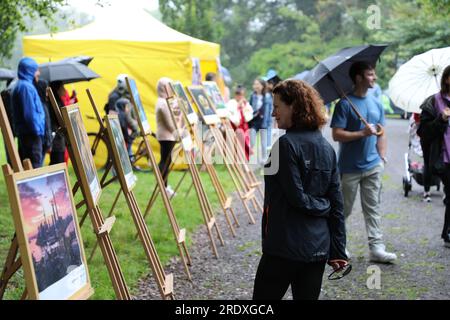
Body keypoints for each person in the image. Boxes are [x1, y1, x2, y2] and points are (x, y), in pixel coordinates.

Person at [253, 79, 348, 300]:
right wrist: (338, 250)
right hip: (316, 249)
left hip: (284, 246)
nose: (274, 113)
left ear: (294, 106)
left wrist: (322, 205)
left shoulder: (285, 146)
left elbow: (298, 199)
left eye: (277, 107)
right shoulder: (327, 148)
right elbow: (337, 204)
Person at [330, 61, 397, 263]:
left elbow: (381, 132)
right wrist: (361, 132)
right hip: (349, 168)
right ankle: (338, 246)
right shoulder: (344, 104)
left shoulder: (376, 102)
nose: (374, 78)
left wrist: (382, 156)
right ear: (358, 78)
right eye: (370, 74)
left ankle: (376, 248)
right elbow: (336, 135)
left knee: (373, 208)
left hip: (373, 165)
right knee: (344, 210)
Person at [417, 65, 450, 248]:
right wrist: (441, 120)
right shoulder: (433, 103)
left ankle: (447, 232)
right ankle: (448, 234)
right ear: (446, 79)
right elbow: (424, 132)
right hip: (444, 158)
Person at [11, 57, 46, 168]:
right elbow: (30, 115)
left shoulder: (23, 85)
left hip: (27, 135)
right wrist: (38, 132)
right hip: (31, 136)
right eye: (36, 70)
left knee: (29, 168)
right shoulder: (25, 87)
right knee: (35, 170)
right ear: (29, 70)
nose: (38, 73)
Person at [155, 77, 178, 197]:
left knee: (167, 161)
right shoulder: (162, 102)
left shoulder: (164, 101)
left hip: (168, 136)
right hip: (166, 136)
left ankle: (164, 186)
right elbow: (169, 122)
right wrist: (177, 132)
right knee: (165, 161)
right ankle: (163, 186)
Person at [226, 85, 253, 160]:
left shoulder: (245, 103)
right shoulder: (231, 103)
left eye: (241, 95)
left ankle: (246, 157)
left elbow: (249, 113)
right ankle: (239, 158)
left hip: (244, 126)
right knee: (239, 142)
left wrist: (244, 106)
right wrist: (238, 106)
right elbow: (231, 114)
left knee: (246, 141)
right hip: (236, 126)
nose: (239, 96)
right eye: (238, 94)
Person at [249, 78, 272, 164]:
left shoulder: (268, 96)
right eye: (254, 84)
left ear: (262, 86)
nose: (255, 86)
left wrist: (268, 122)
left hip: (264, 121)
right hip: (254, 121)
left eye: (257, 84)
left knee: (263, 143)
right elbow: (249, 107)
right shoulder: (252, 95)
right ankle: (248, 157)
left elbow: (269, 110)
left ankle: (264, 159)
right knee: (252, 140)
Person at [115, 97, 139, 162]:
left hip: (124, 138)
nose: (128, 109)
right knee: (124, 154)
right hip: (124, 139)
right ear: (122, 107)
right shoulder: (122, 115)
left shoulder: (120, 114)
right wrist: (128, 139)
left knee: (127, 151)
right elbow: (124, 128)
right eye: (126, 107)